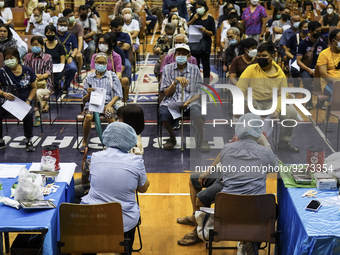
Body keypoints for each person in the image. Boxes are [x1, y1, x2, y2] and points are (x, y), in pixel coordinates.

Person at [177, 113, 277, 248]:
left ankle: (202, 223)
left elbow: (227, 158)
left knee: (203, 197)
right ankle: (249, 240)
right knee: (275, 208)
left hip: (226, 215)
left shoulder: (227, 150)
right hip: (254, 215)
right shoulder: (266, 153)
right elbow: (275, 166)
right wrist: (265, 144)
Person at [81, 121, 150, 255]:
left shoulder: (94, 157)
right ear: (130, 140)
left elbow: (92, 182)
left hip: (94, 218)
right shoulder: (136, 161)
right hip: (124, 222)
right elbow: (143, 189)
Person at [74, 104, 145, 203]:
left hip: (111, 183)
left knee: (71, 191)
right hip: (109, 176)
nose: (117, 121)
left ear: (129, 121)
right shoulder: (128, 135)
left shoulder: (134, 145)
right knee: (72, 182)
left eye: (120, 118)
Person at [237, 43, 300, 152]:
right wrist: (244, 102)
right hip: (255, 102)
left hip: (272, 102)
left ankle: (283, 143)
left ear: (272, 56)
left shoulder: (280, 74)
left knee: (291, 113)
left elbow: (282, 95)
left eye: (264, 56)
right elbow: (240, 88)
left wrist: (277, 110)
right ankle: (245, 141)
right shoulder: (251, 69)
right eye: (259, 56)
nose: (260, 59)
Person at [159, 43, 210, 151]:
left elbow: (199, 92)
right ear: (174, 55)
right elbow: (167, 93)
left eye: (183, 54)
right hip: (171, 101)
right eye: (178, 53)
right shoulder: (167, 69)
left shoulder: (195, 69)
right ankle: (172, 138)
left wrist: (187, 102)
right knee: (163, 114)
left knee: (198, 115)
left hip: (190, 101)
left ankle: (202, 138)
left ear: (188, 56)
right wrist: (175, 82)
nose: (180, 56)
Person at [80, 53, 123, 153]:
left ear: (106, 63)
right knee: (88, 117)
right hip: (92, 104)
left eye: (103, 63)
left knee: (110, 117)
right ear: (95, 63)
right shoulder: (89, 78)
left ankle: (115, 142)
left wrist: (109, 105)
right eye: (99, 62)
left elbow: (118, 94)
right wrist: (89, 94)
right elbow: (85, 99)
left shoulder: (112, 76)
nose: (101, 65)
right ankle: (85, 141)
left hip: (107, 104)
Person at [0, 47, 37, 152]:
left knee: (28, 114)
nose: (9, 60)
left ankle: (28, 139)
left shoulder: (28, 71)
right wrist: (4, 94)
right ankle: (0, 140)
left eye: (11, 58)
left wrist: (28, 100)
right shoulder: (2, 72)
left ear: (17, 58)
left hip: (24, 100)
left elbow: (34, 88)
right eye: (6, 59)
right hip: (8, 102)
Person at [297, 21, 328, 110]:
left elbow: (326, 60)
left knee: (327, 79)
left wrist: (320, 71)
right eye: (317, 31)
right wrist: (309, 70)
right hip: (306, 69)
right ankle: (309, 101)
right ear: (310, 31)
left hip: (319, 69)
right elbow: (299, 61)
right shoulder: (303, 43)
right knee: (307, 80)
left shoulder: (323, 44)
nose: (319, 33)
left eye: (320, 31)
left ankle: (320, 102)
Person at [23, 36, 53, 127]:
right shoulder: (28, 57)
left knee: (36, 93)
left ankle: (37, 116)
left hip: (44, 84)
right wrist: (33, 76)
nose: (34, 47)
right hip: (30, 83)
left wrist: (41, 76)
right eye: (32, 45)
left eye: (36, 45)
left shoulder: (48, 57)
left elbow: (48, 72)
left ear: (42, 46)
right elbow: (25, 70)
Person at [90, 33, 128, 103]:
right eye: (100, 43)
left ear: (109, 44)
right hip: (98, 81)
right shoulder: (94, 56)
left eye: (104, 43)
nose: (102, 45)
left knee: (125, 80)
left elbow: (118, 74)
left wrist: (110, 82)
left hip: (112, 81)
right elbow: (93, 71)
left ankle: (123, 102)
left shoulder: (116, 56)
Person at [187, 0, 216, 82]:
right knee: (195, 64)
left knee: (206, 64)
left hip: (205, 44)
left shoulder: (210, 19)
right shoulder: (194, 16)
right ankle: (196, 82)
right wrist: (193, 19)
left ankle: (206, 82)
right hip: (195, 44)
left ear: (204, 7)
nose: (198, 9)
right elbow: (187, 26)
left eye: (200, 7)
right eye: (197, 8)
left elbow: (212, 33)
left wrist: (205, 30)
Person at [110, 19, 132, 96]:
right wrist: (117, 45)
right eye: (116, 30)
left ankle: (125, 88)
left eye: (120, 29)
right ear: (111, 28)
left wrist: (115, 47)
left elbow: (126, 46)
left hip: (123, 57)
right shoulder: (107, 36)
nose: (118, 31)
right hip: (109, 57)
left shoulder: (125, 35)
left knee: (128, 66)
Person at [56, 17, 78, 94]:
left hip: (67, 57)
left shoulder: (71, 36)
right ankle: (55, 85)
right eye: (61, 25)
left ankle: (66, 85)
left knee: (73, 68)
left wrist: (71, 57)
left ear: (68, 25)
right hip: (56, 58)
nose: (62, 27)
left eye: (64, 25)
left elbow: (75, 48)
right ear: (57, 25)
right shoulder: (54, 35)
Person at [317, 29, 340, 101]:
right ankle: (333, 111)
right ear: (333, 41)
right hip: (329, 83)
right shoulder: (324, 54)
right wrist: (337, 83)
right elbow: (323, 74)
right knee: (337, 93)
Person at [63, 8, 84, 83]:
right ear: (66, 17)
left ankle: (78, 74)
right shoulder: (63, 26)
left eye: (73, 15)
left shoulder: (78, 26)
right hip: (66, 47)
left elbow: (80, 39)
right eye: (70, 15)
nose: (73, 17)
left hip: (75, 46)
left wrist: (78, 50)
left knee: (79, 56)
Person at [285, 20, 309, 87]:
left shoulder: (309, 39)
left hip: (305, 58)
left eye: (308, 27)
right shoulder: (293, 37)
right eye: (305, 27)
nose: (307, 29)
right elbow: (287, 51)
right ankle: (295, 83)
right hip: (294, 57)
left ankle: (306, 84)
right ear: (301, 29)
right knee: (294, 70)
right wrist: (294, 57)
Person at [44, 25, 65, 97]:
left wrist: (61, 70)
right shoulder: (43, 46)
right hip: (45, 67)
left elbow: (62, 61)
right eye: (48, 33)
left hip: (57, 67)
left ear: (55, 34)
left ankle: (56, 89)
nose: (50, 35)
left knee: (56, 80)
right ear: (45, 34)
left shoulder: (60, 46)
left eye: (52, 33)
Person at [76, 5, 97, 71]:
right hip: (78, 40)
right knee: (78, 50)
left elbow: (94, 31)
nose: (83, 15)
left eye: (85, 13)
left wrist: (85, 36)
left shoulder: (91, 21)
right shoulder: (76, 21)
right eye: (82, 14)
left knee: (91, 48)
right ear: (79, 13)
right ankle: (80, 64)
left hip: (89, 40)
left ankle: (88, 63)